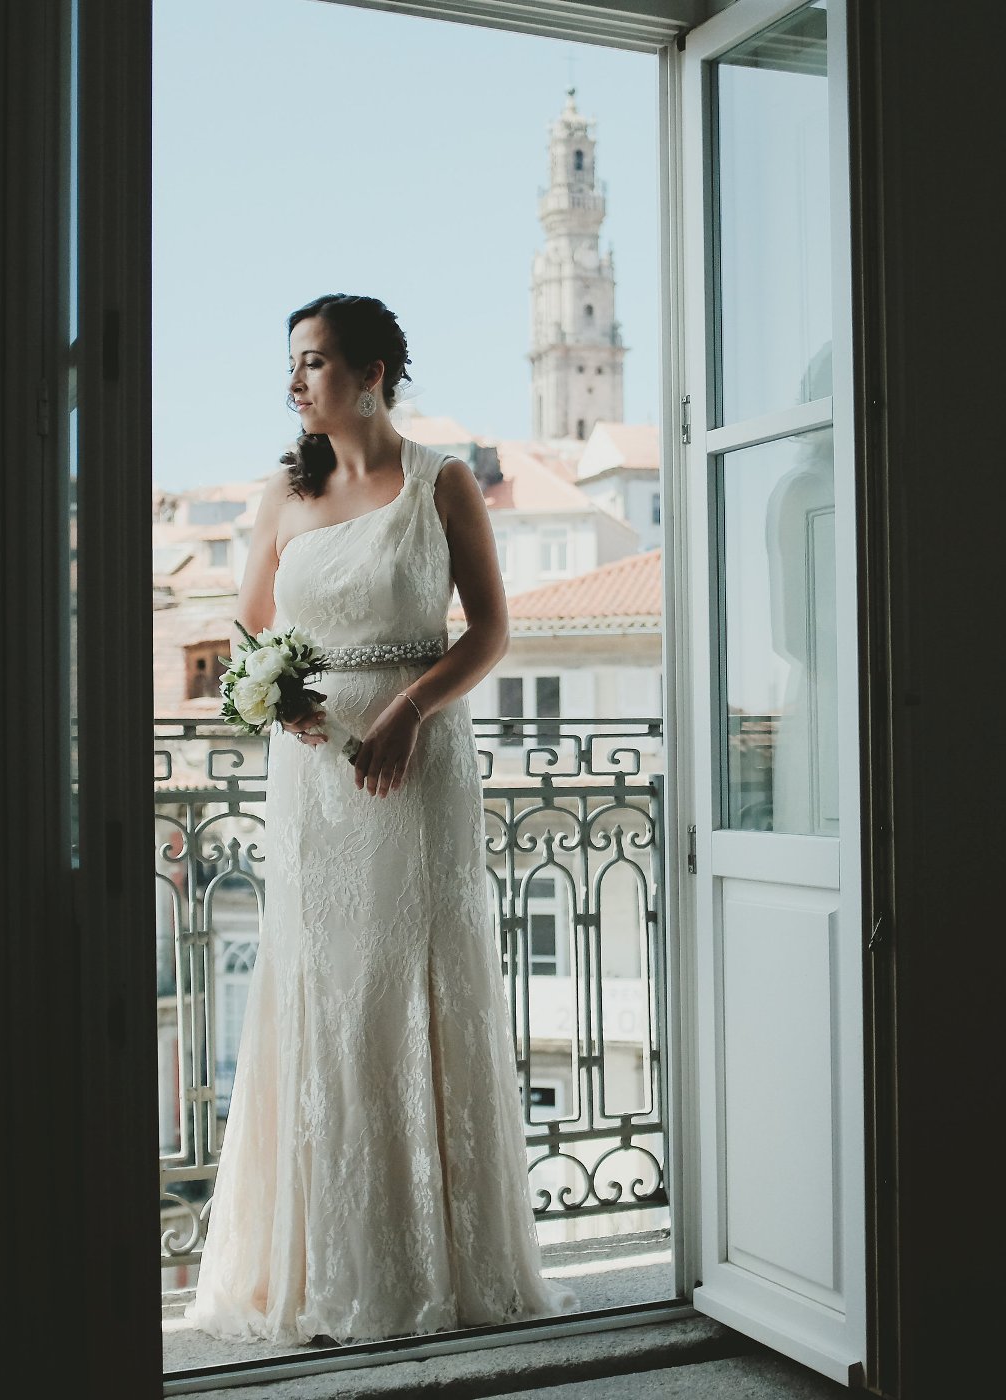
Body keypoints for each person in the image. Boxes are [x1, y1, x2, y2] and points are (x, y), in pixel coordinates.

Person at [185, 294, 578, 1345]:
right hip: (312, 779)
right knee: (324, 998)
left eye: (314, 362)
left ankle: (430, 1264)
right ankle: (322, 1265)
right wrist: (281, 699)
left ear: (374, 370)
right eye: (293, 364)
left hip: (418, 761)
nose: (296, 381)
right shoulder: (281, 494)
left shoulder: (441, 481)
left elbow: (490, 631)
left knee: (413, 987)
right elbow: (249, 638)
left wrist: (408, 709)